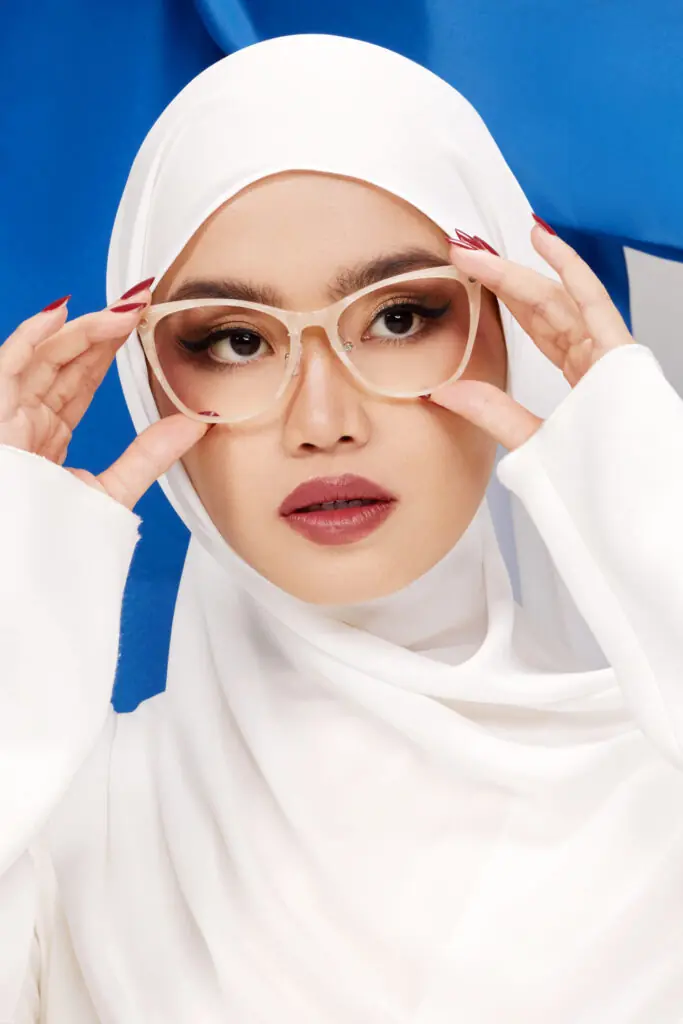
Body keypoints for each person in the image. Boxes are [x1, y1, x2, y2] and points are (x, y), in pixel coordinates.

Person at [2, 31, 683, 1024]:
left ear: (513, 341)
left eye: (399, 318)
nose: (323, 420)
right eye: (235, 339)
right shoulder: (65, 840)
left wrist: (645, 488)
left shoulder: (657, 788)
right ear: (149, 383)